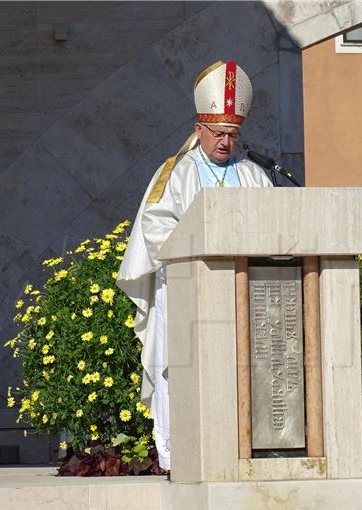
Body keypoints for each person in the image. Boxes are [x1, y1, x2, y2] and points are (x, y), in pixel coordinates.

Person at [117, 60, 273, 469]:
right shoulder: (177, 174)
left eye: (232, 135)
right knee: (181, 366)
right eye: (218, 133)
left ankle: (240, 446)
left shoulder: (255, 176)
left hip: (243, 291)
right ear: (199, 128)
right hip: (188, 290)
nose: (225, 142)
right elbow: (154, 229)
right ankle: (179, 451)